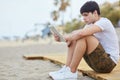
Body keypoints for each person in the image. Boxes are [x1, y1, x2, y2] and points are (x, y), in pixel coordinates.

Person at [49, 1, 120, 80]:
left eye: (86, 15)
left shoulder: (104, 22)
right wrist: (61, 39)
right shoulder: (89, 25)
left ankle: (71, 72)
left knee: (82, 36)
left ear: (95, 12)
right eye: (83, 16)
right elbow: (74, 37)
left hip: (108, 63)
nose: (84, 18)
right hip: (96, 63)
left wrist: (69, 37)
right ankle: (67, 68)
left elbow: (81, 34)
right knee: (76, 35)